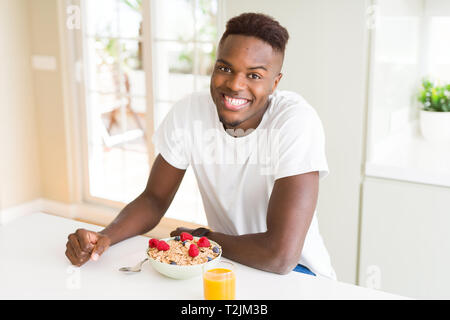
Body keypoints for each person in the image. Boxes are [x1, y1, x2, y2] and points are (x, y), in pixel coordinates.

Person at [65, 12, 336, 279]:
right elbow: (154, 198)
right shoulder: (190, 112)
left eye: (254, 75)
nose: (234, 85)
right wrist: (104, 236)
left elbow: (280, 256)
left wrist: (202, 238)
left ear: (275, 83)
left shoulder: (295, 122)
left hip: (299, 274)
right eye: (225, 68)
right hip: (230, 263)